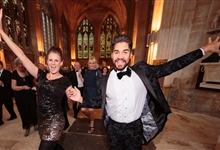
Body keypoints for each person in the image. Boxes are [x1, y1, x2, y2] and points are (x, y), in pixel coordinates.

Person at [79, 34, 220, 149]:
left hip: (135, 128)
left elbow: (172, 66)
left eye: (125, 52)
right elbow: (98, 101)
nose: (120, 56)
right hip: (112, 129)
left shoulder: (143, 71)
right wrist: (80, 99)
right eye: (116, 52)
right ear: (112, 55)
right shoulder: (103, 80)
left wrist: (205, 49)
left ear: (130, 55)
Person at [0, 9, 82, 150]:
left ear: (61, 63)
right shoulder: (40, 75)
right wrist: (1, 32)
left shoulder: (65, 80)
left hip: (55, 121)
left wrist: (77, 97)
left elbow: (71, 92)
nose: (53, 63)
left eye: (56, 60)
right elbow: (21, 55)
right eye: (50, 60)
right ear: (47, 61)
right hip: (42, 119)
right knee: (53, 147)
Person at [11, 58, 38, 137]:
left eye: (22, 64)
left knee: (33, 109)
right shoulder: (14, 73)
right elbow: (13, 87)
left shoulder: (29, 72)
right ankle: (27, 127)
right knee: (23, 111)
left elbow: (34, 83)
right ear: (17, 65)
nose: (21, 66)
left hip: (30, 95)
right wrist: (23, 87)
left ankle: (35, 123)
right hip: (20, 97)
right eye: (19, 64)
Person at [80, 56, 102, 134]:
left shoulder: (98, 71)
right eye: (90, 63)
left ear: (95, 64)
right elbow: (84, 81)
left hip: (93, 92)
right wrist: (79, 75)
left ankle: (92, 123)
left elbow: (100, 84)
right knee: (82, 110)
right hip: (86, 91)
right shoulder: (86, 71)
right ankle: (91, 118)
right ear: (88, 64)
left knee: (90, 110)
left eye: (93, 63)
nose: (92, 65)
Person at [0, 61, 17, 126]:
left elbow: (10, 82)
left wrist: (2, 83)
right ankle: (0, 120)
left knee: (9, 106)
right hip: (0, 93)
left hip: (6, 93)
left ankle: (13, 115)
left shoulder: (7, 73)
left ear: (1, 65)